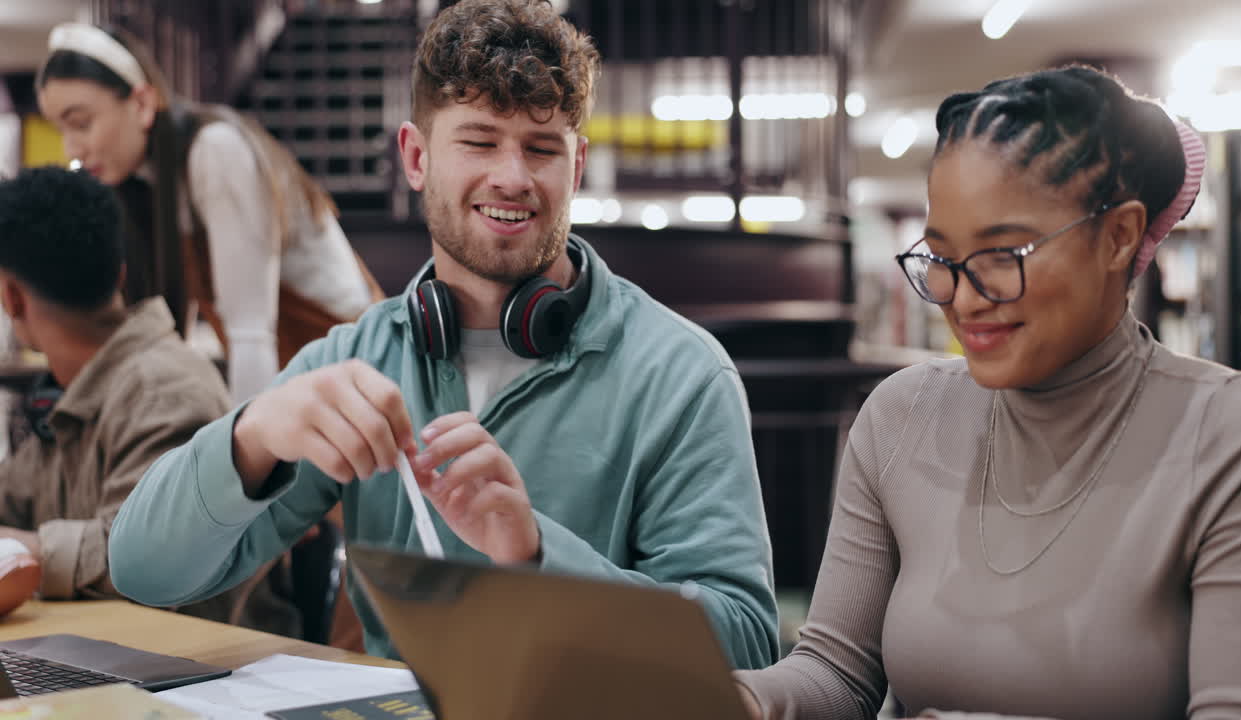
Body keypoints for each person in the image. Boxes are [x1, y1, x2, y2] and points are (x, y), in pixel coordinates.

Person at [108, 0, 779, 668]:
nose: (511, 178)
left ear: (575, 168)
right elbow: (143, 570)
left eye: (541, 148)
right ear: (417, 156)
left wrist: (536, 556)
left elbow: (746, 645)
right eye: (480, 141)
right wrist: (252, 434)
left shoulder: (682, 374)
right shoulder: (355, 358)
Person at [735, 66, 1241, 719]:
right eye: (940, 259)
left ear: (1119, 237)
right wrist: (737, 698)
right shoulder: (901, 415)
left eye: (1002, 257)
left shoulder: (1236, 437)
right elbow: (837, 673)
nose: (962, 300)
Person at [0, 166, 297, 634]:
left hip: (201, 679)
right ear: (118, 274)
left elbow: (146, 564)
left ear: (11, 299)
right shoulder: (68, 392)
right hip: (107, 657)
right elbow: (10, 503)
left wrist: (28, 550)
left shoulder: (164, 389)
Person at [36, 23, 382, 405]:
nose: (73, 147)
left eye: (81, 123)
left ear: (142, 103)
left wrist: (249, 455)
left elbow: (251, 334)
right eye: (62, 130)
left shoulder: (216, 151)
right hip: (301, 383)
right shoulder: (143, 185)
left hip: (357, 369)